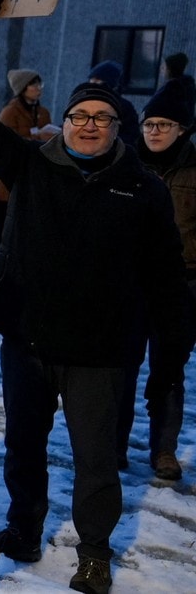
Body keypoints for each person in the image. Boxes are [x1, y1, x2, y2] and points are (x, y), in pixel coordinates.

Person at [0, 0, 195, 594]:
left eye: (103, 118)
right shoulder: (31, 164)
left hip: (101, 350)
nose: (90, 125)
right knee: (22, 447)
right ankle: (23, 530)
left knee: (96, 463)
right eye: (81, 115)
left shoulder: (141, 188)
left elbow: (167, 275)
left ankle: (93, 552)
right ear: (66, 121)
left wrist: (170, 354)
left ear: (120, 128)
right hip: (29, 339)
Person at [118, 89, 196, 481]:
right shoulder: (125, 165)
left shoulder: (194, 170)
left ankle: (163, 449)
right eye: (149, 124)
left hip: (183, 286)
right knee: (119, 366)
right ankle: (113, 445)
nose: (155, 131)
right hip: (130, 283)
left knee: (168, 371)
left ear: (182, 130)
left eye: (164, 125)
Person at [0, 69, 58, 257]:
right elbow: (4, 143)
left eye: (40, 84)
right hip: (7, 181)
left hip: (34, 178)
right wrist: (36, 136)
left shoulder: (43, 112)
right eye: (33, 85)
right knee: (2, 232)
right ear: (22, 88)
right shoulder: (10, 112)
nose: (38, 89)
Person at [87, 60, 140, 137]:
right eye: (92, 80)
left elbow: (131, 134)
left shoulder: (123, 106)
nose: (93, 84)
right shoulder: (83, 102)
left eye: (97, 80)